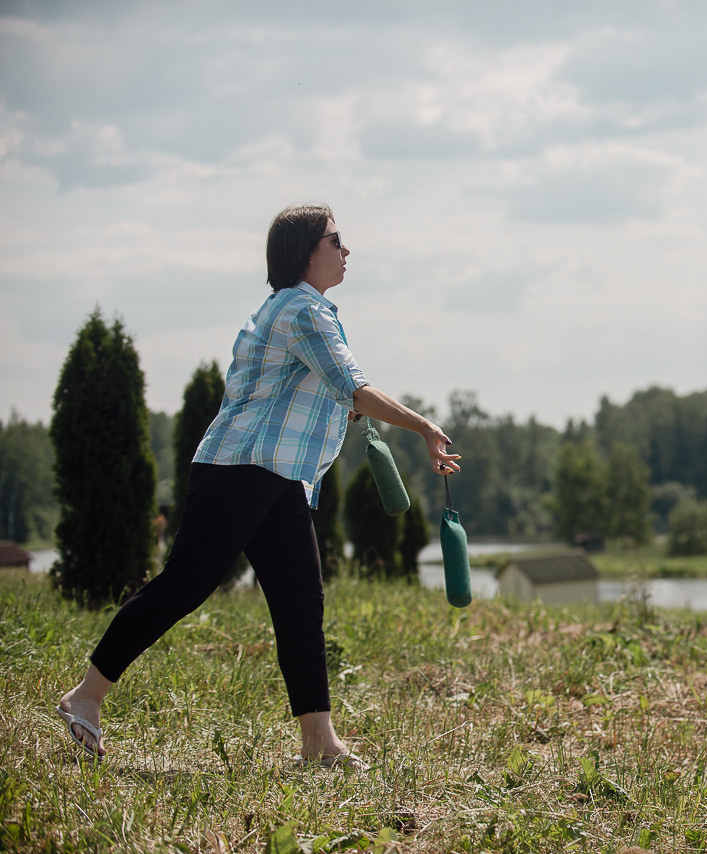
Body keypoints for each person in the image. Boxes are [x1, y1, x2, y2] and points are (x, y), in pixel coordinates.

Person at [56, 203, 460, 768]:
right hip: (239, 470)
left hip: (279, 477)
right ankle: (85, 698)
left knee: (301, 601)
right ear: (305, 252)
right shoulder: (302, 312)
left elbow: (313, 393)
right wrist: (426, 428)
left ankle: (319, 742)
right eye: (336, 239)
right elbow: (354, 385)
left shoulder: (304, 311)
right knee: (186, 584)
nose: (347, 250)